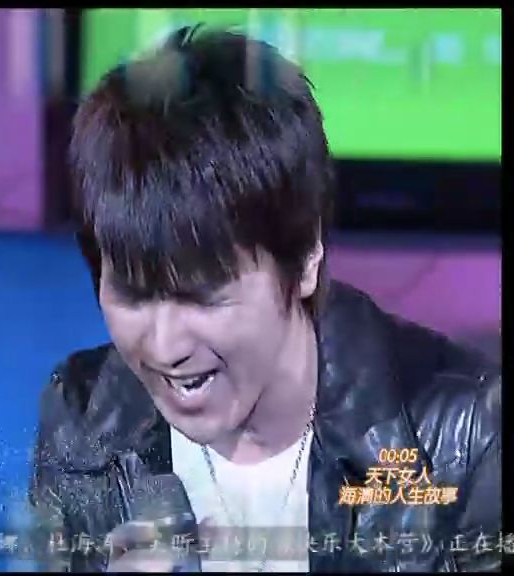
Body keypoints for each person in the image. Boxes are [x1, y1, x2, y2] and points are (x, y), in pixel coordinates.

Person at [30, 26, 501, 572]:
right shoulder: (82, 420)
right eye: (134, 296)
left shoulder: (466, 433)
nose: (164, 347)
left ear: (304, 259)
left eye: (203, 296)